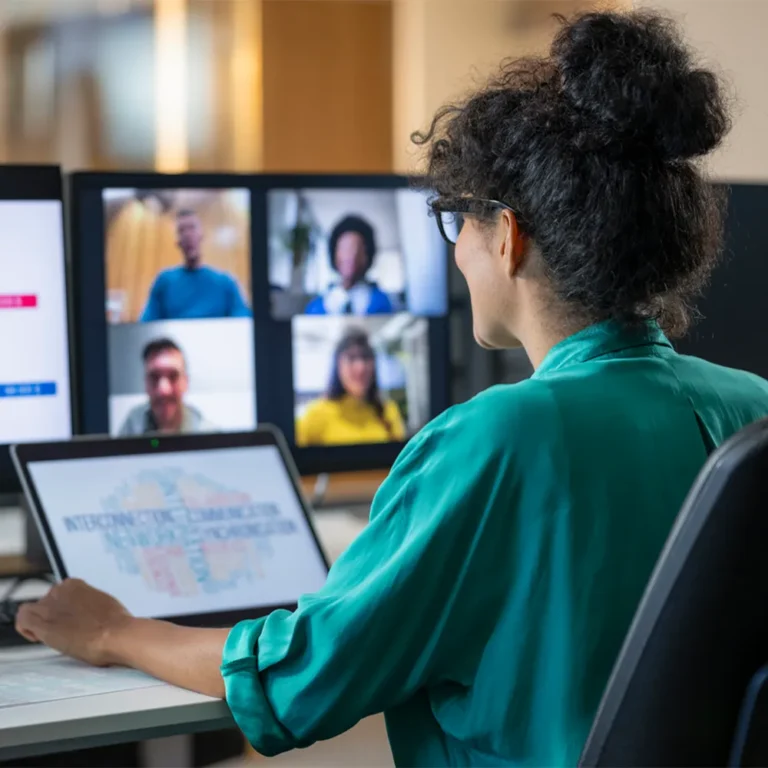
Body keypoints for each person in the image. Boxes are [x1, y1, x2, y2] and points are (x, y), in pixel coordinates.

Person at [16, 11, 768, 767]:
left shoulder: (493, 440)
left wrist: (113, 630)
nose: (459, 252)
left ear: (507, 237)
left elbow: (300, 680)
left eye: (458, 223)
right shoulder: (752, 411)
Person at [296, 328, 406, 446]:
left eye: (365, 357)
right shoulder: (315, 415)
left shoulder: (388, 411)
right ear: (338, 365)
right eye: (351, 358)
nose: (360, 367)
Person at [140, 209, 251, 321]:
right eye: (181, 230)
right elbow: (146, 324)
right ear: (177, 241)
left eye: (192, 228)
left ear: (202, 235)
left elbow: (243, 322)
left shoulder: (225, 282)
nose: (188, 235)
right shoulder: (164, 282)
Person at [118, 338, 216, 435]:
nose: (163, 390)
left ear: (186, 383)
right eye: (154, 377)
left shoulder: (206, 433)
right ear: (146, 383)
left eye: (173, 376)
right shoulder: (133, 425)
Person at [304, 215, 394, 315]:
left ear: (368, 255)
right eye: (345, 249)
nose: (351, 257)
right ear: (334, 254)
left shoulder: (384, 305)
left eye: (358, 250)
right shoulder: (316, 307)